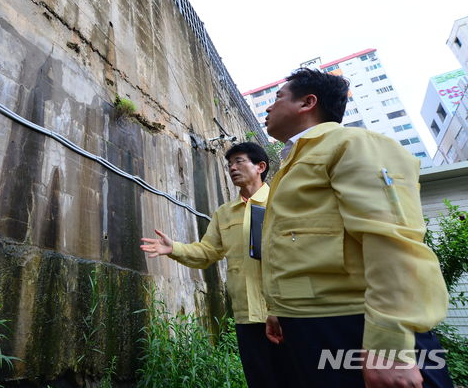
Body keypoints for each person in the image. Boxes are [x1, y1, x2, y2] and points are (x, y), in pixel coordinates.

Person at [261, 67, 452, 388]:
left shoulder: (352, 144)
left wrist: (389, 344)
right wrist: (279, 308)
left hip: (356, 325)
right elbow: (300, 245)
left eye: (278, 98)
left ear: (308, 102)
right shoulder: (292, 163)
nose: (268, 108)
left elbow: (392, 239)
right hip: (310, 324)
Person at [140, 142, 297, 387]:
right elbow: (207, 252)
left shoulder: (282, 201)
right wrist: (174, 248)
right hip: (246, 316)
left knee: (296, 377)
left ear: (260, 166)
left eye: (239, 161)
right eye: (229, 164)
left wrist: (279, 307)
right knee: (261, 380)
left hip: (285, 312)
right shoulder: (224, 213)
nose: (232, 168)